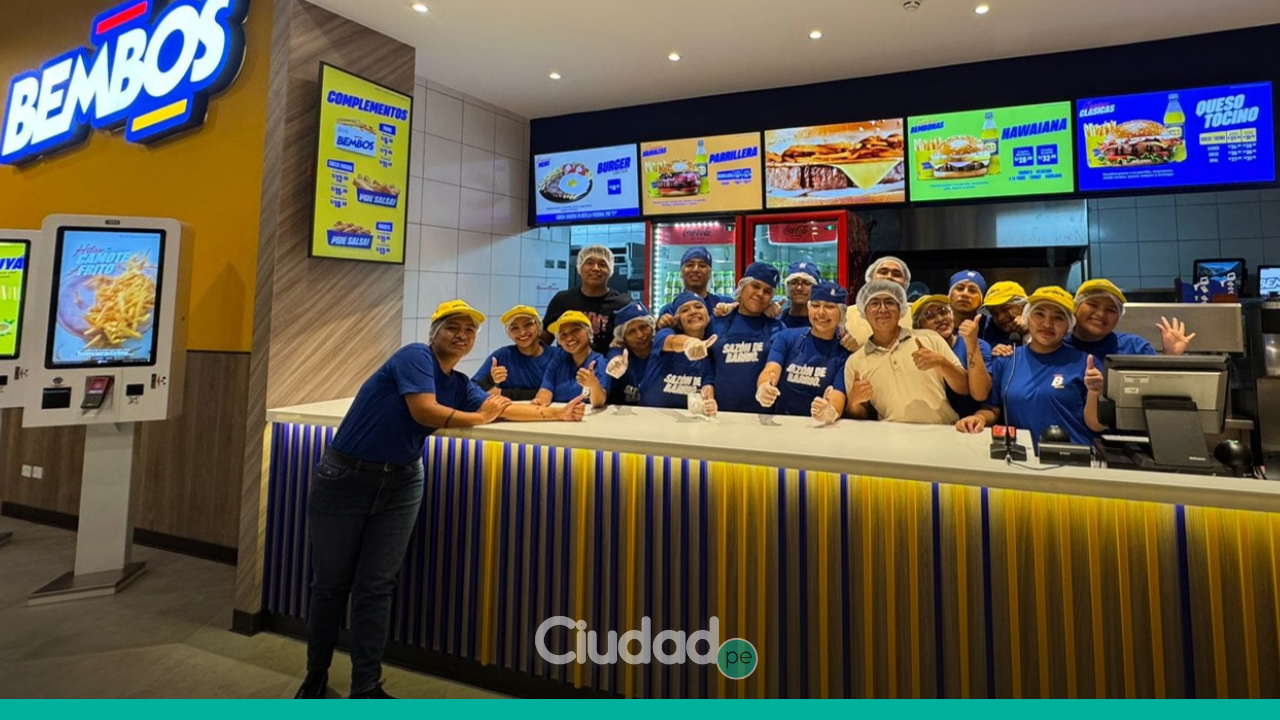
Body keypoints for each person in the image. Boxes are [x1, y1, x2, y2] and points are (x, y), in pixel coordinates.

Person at [296, 300, 585, 700]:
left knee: (376, 586)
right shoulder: (415, 356)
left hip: (402, 482)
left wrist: (558, 415)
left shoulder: (459, 383)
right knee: (330, 585)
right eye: (453, 327)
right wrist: (479, 417)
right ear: (434, 333)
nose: (462, 335)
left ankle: (366, 687)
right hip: (345, 477)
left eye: (469, 330)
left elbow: (500, 410)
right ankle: (315, 675)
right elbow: (424, 411)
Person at [956, 286, 1107, 447]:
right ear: (1026, 318)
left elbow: (1096, 425)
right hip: (1021, 455)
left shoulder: (1087, 364)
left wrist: (1094, 392)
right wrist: (979, 418)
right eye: (1039, 314)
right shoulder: (1007, 360)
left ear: (1069, 325)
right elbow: (992, 409)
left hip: (1074, 454)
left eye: (1058, 317)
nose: (1047, 324)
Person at [827, 280, 969, 425]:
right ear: (864, 312)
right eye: (874, 303)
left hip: (943, 430)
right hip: (891, 435)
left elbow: (964, 387)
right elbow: (860, 417)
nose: (882, 309)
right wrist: (854, 402)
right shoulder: (855, 362)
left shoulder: (931, 338)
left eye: (889, 302)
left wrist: (942, 364)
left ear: (901, 309)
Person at [755, 281, 852, 420]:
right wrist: (764, 386)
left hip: (819, 428)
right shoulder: (786, 337)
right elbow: (771, 369)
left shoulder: (844, 353)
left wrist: (830, 410)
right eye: (815, 305)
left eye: (830, 306)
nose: (821, 312)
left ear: (841, 313)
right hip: (783, 424)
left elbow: (838, 394)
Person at [707, 262, 784, 414]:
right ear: (742, 286)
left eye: (767, 291)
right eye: (755, 286)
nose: (760, 294)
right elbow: (704, 366)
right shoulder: (716, 322)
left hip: (762, 417)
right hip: (719, 415)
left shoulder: (778, 328)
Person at [1067, 279, 1195, 359]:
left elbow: (1158, 386)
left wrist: (1171, 356)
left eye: (1110, 310)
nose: (1100, 314)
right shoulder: (1059, 346)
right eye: (1093, 305)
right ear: (1075, 307)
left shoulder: (1135, 348)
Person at [911, 295, 993, 419]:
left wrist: (972, 344)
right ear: (918, 326)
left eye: (943, 311)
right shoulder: (916, 353)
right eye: (929, 316)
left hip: (972, 422)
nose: (940, 319)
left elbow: (980, 394)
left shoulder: (978, 345)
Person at [638, 291, 718, 415]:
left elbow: (707, 391)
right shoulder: (664, 334)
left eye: (698, 307)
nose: (693, 312)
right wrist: (689, 343)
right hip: (647, 417)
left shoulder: (706, 358)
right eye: (685, 310)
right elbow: (672, 342)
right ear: (678, 321)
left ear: (708, 317)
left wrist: (709, 405)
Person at [542, 244, 632, 354]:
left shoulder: (623, 304)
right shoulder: (562, 300)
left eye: (602, 264)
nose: (595, 268)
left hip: (609, 364)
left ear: (610, 270)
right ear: (580, 267)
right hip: (567, 364)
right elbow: (543, 340)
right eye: (589, 263)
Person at [472, 305, 555, 400]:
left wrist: (504, 393)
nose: (522, 332)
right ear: (509, 333)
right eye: (515, 328)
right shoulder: (502, 356)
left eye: (528, 324)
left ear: (539, 327)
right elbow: (471, 389)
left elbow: (562, 393)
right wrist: (490, 379)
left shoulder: (557, 356)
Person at [535, 310, 610, 408]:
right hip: (559, 414)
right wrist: (540, 401)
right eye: (563, 335)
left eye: (575, 330)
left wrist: (593, 385)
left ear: (589, 332)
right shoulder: (558, 360)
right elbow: (546, 389)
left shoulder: (600, 362)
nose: (569, 338)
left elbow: (599, 402)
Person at [845, 255, 915, 344]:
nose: (889, 277)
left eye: (896, 274)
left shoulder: (917, 313)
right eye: (883, 272)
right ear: (871, 278)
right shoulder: (847, 314)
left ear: (905, 283)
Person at [656, 246, 729, 328]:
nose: (695, 270)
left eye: (702, 265)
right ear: (681, 272)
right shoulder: (669, 311)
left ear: (709, 273)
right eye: (690, 265)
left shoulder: (724, 304)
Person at [605, 301, 656, 405]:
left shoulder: (663, 354)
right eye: (631, 332)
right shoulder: (619, 359)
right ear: (622, 338)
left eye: (643, 327)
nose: (640, 335)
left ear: (652, 326)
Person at [981, 281, 1028, 349]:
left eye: (1005, 309)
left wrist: (1031, 329)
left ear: (1023, 305)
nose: (1000, 318)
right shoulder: (989, 332)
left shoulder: (1040, 324)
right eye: (994, 313)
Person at [779, 261, 822, 329]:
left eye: (806, 282)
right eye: (794, 282)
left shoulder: (825, 324)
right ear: (787, 287)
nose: (799, 288)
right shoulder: (775, 323)